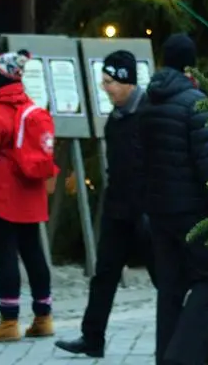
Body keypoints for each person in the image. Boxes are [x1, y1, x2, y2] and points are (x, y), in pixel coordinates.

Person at [58, 50, 148, 359]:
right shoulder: (115, 119)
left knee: (165, 277)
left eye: (110, 82)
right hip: (118, 211)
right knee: (104, 274)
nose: (105, 88)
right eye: (103, 81)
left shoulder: (148, 114)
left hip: (146, 212)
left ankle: (181, 337)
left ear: (126, 81)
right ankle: (92, 337)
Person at [142, 34, 208, 365]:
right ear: (193, 64)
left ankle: (167, 355)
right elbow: (207, 163)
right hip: (193, 213)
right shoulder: (195, 103)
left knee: (170, 288)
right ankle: (183, 356)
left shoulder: (149, 102)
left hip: (160, 212)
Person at [0, 51, 59, 342]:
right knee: (33, 252)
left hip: (2, 195)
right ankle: (43, 317)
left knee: (6, 255)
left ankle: (9, 322)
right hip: (30, 193)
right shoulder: (29, 107)